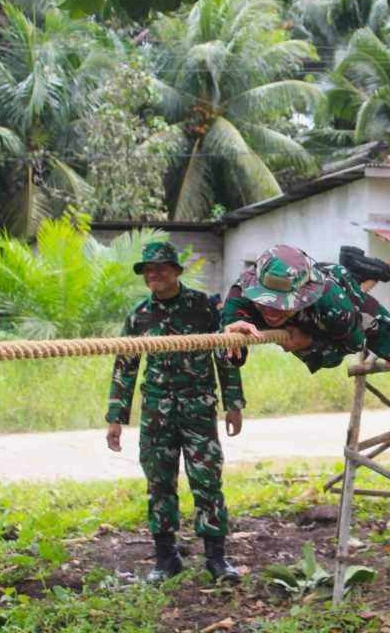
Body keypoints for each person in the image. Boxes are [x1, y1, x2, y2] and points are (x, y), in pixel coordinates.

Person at [220, 244, 390, 415]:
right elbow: (231, 354)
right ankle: (351, 264)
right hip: (321, 279)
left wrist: (308, 344)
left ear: (302, 297)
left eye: (283, 305)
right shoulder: (242, 292)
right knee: (239, 332)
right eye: (265, 301)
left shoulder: (335, 308)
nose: (271, 311)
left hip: (342, 301)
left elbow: (350, 347)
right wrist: (232, 341)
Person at [106, 241, 244, 583]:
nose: (153, 274)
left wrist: (234, 403)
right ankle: (166, 559)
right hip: (157, 413)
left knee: (207, 481)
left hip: (198, 408)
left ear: (176, 271)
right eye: (147, 270)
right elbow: (125, 366)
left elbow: (225, 354)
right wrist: (115, 419)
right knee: (159, 483)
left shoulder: (203, 307)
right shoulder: (140, 315)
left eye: (160, 268)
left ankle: (216, 559)